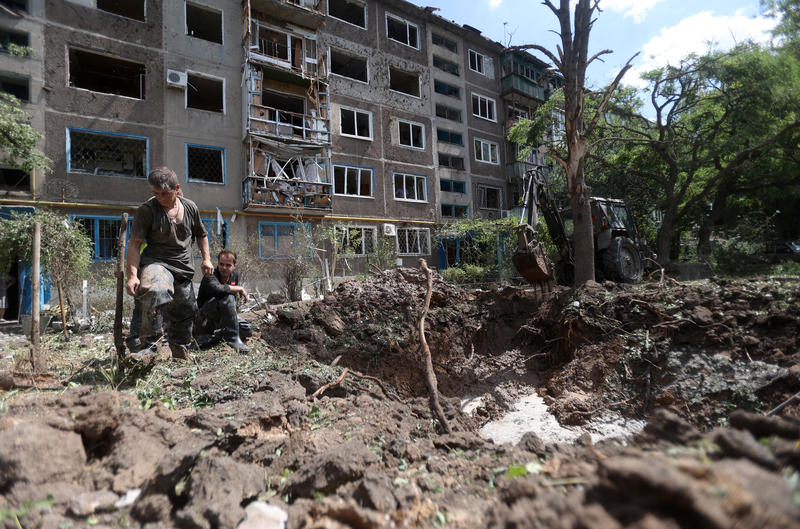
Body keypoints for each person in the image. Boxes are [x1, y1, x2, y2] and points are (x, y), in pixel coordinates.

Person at [126, 166, 213, 359]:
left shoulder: (190, 207)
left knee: (186, 309)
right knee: (155, 291)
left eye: (164, 193)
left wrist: (206, 259)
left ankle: (180, 350)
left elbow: (201, 235)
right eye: (155, 193)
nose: (159, 197)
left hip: (183, 267)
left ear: (177, 188)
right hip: (157, 263)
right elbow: (134, 244)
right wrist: (132, 276)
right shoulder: (147, 210)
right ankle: (147, 348)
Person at [195, 249, 250, 352]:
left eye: (228, 265)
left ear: (234, 266)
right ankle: (233, 339)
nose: (224, 268)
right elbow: (218, 289)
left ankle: (212, 338)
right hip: (205, 318)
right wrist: (239, 288)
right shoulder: (210, 275)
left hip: (223, 317)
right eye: (221, 264)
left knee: (247, 329)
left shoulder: (234, 275)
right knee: (228, 297)